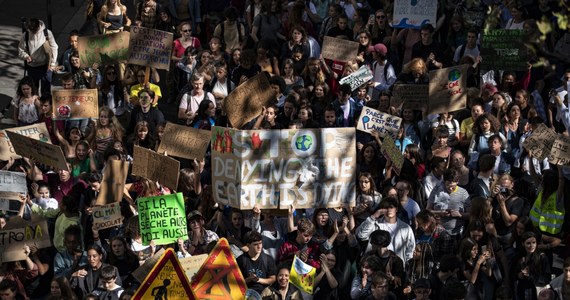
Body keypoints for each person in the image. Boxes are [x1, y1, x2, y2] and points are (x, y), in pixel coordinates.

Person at [356, 197, 416, 263]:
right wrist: (373, 216)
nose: (388, 210)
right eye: (386, 207)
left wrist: (406, 266)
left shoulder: (405, 228)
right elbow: (361, 235)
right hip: (376, 265)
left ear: (396, 209)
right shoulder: (374, 224)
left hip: (396, 266)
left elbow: (410, 250)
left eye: (391, 207)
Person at [18, 18, 58, 96]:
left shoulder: (46, 33)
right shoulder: (26, 35)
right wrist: (26, 56)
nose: (33, 32)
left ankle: (45, 106)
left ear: (38, 26)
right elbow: (21, 49)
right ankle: (36, 107)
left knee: (46, 91)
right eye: (31, 30)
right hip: (32, 67)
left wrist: (53, 64)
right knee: (33, 91)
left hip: (46, 66)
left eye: (34, 30)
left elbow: (54, 47)